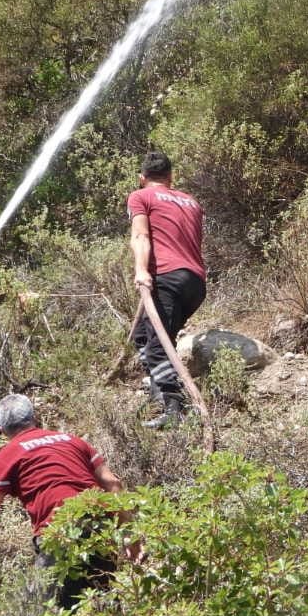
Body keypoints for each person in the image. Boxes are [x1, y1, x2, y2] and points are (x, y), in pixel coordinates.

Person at [0, 394, 124, 608]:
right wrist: (130, 534)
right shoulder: (73, 441)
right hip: (101, 525)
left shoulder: (6, 456)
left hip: (61, 532)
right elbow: (113, 484)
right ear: (34, 418)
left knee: (44, 615)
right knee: (104, 603)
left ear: (2, 430)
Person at [127, 151, 206, 429]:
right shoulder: (191, 201)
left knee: (158, 347)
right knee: (142, 336)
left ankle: (175, 410)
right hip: (195, 283)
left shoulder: (141, 197)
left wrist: (141, 270)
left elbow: (141, 236)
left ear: (142, 178)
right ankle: (159, 389)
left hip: (168, 279)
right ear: (171, 178)